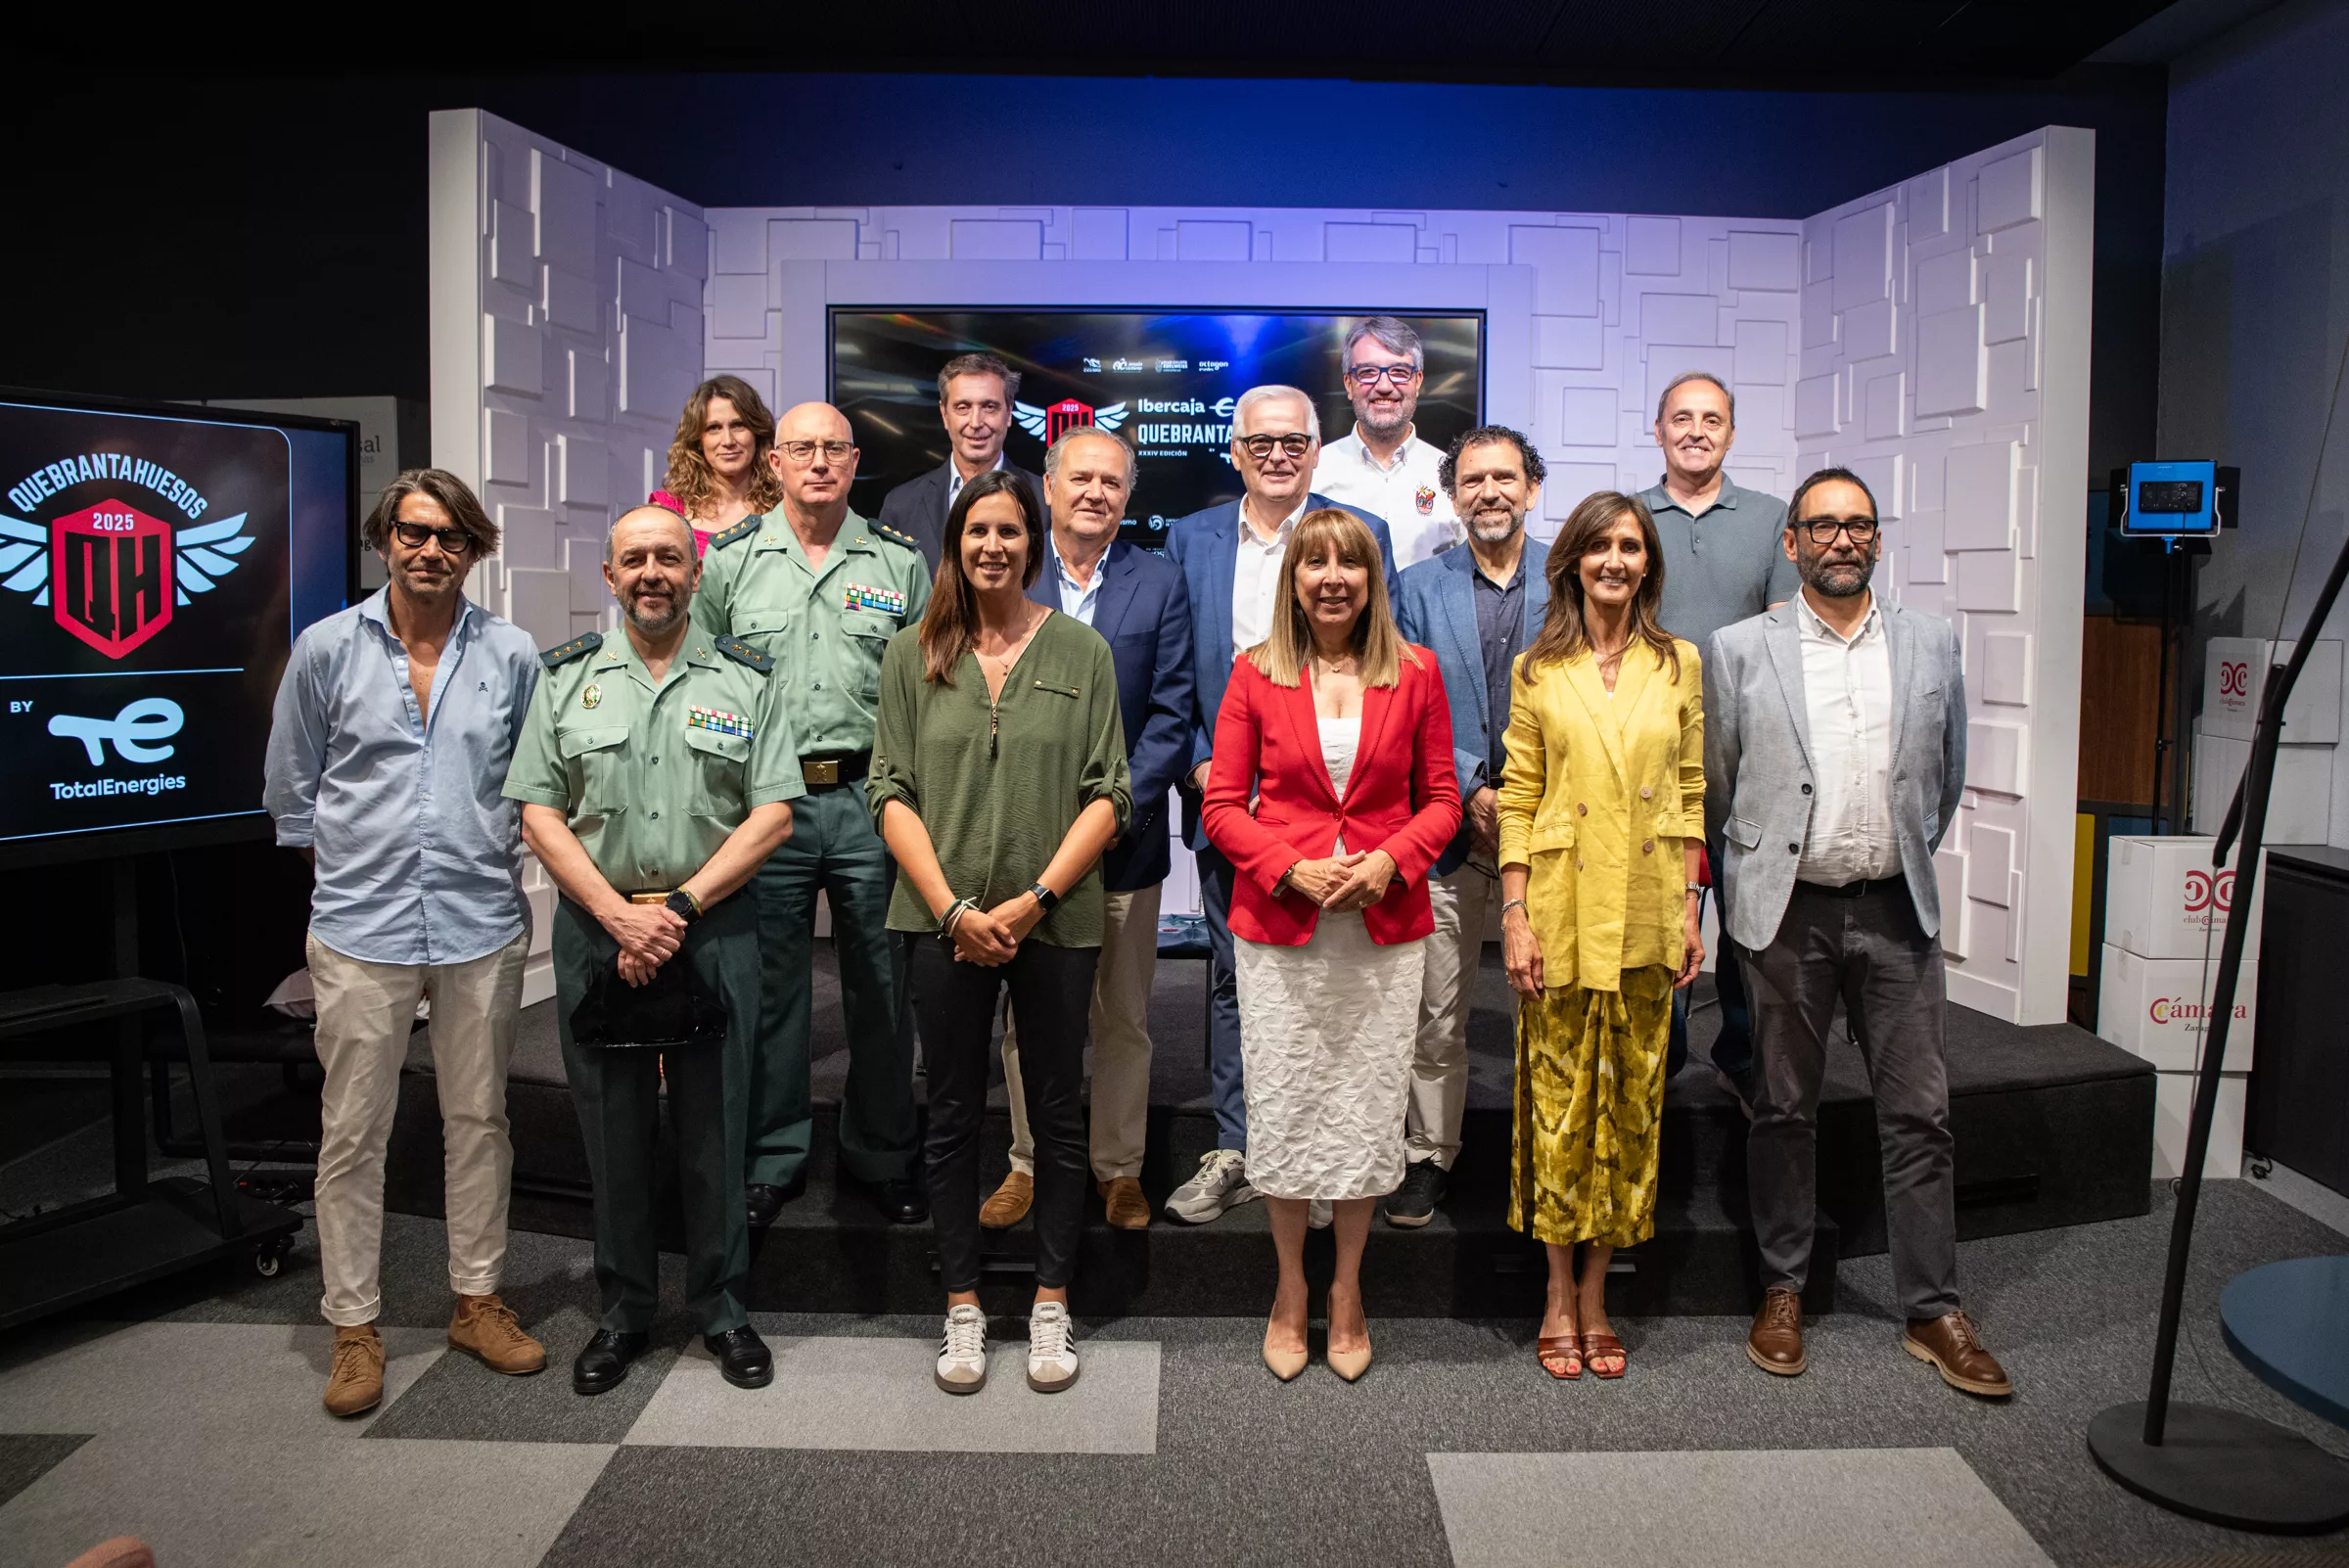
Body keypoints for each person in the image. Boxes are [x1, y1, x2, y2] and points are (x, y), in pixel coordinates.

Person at [1706, 468, 2011, 1399]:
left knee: (1921, 1115)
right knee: (1784, 1108)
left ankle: (1933, 1308)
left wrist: (1895, 853)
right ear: (1791, 543)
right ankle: (1784, 1288)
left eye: (1859, 526)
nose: (1842, 540)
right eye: (1822, 526)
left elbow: (1945, 774)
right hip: (1786, 913)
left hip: (1895, 911)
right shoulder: (1736, 648)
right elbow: (1723, 784)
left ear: (1878, 541)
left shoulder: (1930, 642)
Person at [263, 468, 547, 1417]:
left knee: (479, 1123)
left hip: (478, 924)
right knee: (353, 1134)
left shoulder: (511, 655)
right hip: (361, 931)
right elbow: (292, 790)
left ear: (474, 550)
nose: (432, 551)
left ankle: (476, 1301)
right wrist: (340, 883)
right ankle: (354, 1324)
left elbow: (537, 783)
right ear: (387, 538)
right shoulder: (326, 649)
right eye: (415, 534)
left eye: (452, 538)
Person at [504, 505, 804, 1396]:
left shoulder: (746, 678)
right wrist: (620, 917)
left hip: (712, 928)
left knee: (718, 1125)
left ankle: (720, 1307)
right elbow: (538, 812)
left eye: (669, 558)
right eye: (634, 559)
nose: (652, 574)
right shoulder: (563, 680)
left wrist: (672, 908)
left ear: (695, 574)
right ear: (609, 576)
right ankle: (624, 1310)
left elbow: (774, 812)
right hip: (598, 932)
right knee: (614, 1128)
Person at [870, 468, 1130, 1396]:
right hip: (937, 922)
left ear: (1034, 541)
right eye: (977, 531)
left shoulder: (1080, 652)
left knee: (1059, 1115)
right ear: (955, 543)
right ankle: (964, 1309)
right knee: (948, 1116)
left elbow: (1111, 791)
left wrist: (1033, 902)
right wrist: (953, 910)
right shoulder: (913, 654)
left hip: (1053, 923)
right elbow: (888, 791)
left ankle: (1052, 1303)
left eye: (1010, 532)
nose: (993, 547)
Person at [1204, 507, 1460, 1382]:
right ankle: (1287, 1288)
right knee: (1284, 1105)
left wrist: (1391, 860)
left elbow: (1443, 801)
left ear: (1372, 578)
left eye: (1349, 562)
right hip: (1284, 934)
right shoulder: (1253, 674)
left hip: (1381, 935)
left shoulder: (1418, 673)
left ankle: (1346, 1289)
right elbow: (1221, 808)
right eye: (1314, 562)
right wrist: (1287, 869)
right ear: (1294, 578)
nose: (1332, 578)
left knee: (1363, 1107)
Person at [692, 401, 932, 1227]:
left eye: (834, 449)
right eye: (802, 449)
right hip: (771, 810)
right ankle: (773, 1157)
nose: (819, 462)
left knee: (881, 988)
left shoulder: (899, 564)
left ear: (855, 460)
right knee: (772, 993)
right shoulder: (730, 563)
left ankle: (883, 1154)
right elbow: (705, 690)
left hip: (871, 802)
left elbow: (926, 694)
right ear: (777, 461)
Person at [1163, 386, 1399, 1225]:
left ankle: (1327, 1153)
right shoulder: (1189, 539)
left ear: (1315, 447)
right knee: (1236, 979)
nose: (1275, 455)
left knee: (1338, 985)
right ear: (1234, 451)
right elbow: (1177, 673)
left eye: (1292, 442)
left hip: (1339, 812)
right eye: (1258, 443)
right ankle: (1241, 1145)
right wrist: (1204, 773)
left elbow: (1389, 665)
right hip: (1227, 804)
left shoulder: (1355, 537)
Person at [1497, 490, 1706, 1382]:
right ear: (1573, 561)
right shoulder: (1539, 668)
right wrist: (1512, 914)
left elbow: (1692, 790)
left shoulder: (1680, 663)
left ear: (1648, 562)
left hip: (1650, 906)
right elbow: (1516, 795)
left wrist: (1693, 905)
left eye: (1631, 546)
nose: (1615, 560)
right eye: (1600, 547)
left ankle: (1596, 1291)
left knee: (1629, 1109)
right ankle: (1553, 1290)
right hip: (1563, 906)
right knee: (1556, 1111)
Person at [981, 427, 1192, 1233]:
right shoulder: (1007, 572)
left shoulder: (1160, 583)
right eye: (1081, 479)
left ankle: (1119, 1169)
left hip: (1122, 847)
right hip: (1020, 842)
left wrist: (1106, 812)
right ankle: (1030, 1162)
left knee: (1122, 1017)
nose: (1095, 493)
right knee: (1026, 1020)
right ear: (1048, 485)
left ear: (1128, 496)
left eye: (1111, 481)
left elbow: (1172, 716)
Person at [1388, 427, 1551, 1227]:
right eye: (1474, 480)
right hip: (1447, 823)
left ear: (1532, 488)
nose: (1490, 492)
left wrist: (1520, 792)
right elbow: (1401, 699)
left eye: (1505, 478)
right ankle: (1429, 1156)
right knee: (1437, 1008)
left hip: (1553, 830)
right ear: (1453, 496)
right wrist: (1472, 783)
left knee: (1548, 1001)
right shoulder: (1417, 587)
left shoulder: (1576, 577)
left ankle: (1543, 1154)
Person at [1638, 370, 1800, 1098]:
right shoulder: (1630, 518)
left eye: (1711, 419)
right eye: (1681, 418)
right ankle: (1660, 1054)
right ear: (1659, 429)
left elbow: (1785, 637)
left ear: (1732, 433)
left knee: (1743, 916)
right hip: (1647, 755)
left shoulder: (1773, 520)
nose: (1696, 430)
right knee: (1654, 912)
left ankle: (1740, 1053)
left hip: (1742, 754)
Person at [1312, 316, 1460, 568]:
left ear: (1418, 382)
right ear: (1349, 383)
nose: (1383, 386)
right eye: (1368, 372)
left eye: (1399, 372)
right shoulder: (1315, 473)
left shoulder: (1452, 475)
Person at [876, 352, 1045, 574]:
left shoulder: (1045, 501)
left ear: (1009, 413)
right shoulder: (901, 504)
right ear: (945, 415)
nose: (976, 423)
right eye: (963, 407)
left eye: (989, 407)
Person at [654, 375, 785, 556]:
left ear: (757, 433)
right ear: (698, 439)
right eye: (713, 428)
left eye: (738, 425)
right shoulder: (670, 510)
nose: (728, 441)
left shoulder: (784, 507)